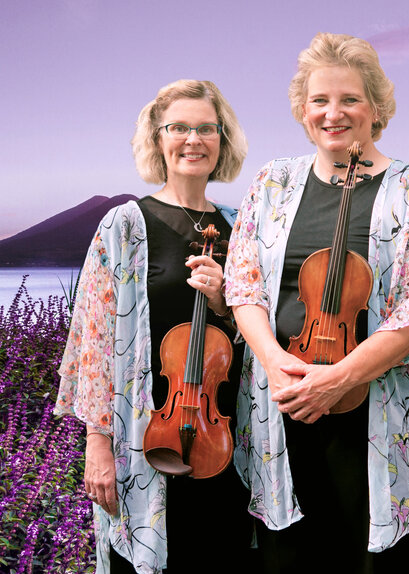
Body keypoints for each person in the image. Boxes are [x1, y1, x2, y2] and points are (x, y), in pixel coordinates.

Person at [222, 33, 409, 573]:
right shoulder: (272, 181)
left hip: (375, 409)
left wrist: (339, 379)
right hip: (281, 401)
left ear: (376, 108)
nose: (334, 113)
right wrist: (273, 362)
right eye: (320, 101)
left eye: (350, 99)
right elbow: (243, 284)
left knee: (368, 554)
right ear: (303, 111)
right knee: (292, 555)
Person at [55, 80, 254, 573]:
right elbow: (94, 343)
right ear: (157, 138)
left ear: (222, 140)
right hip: (143, 437)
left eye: (206, 128)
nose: (193, 139)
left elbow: (265, 331)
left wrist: (225, 303)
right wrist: (97, 444)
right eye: (179, 127)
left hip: (225, 436)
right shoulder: (125, 225)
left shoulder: (244, 225)